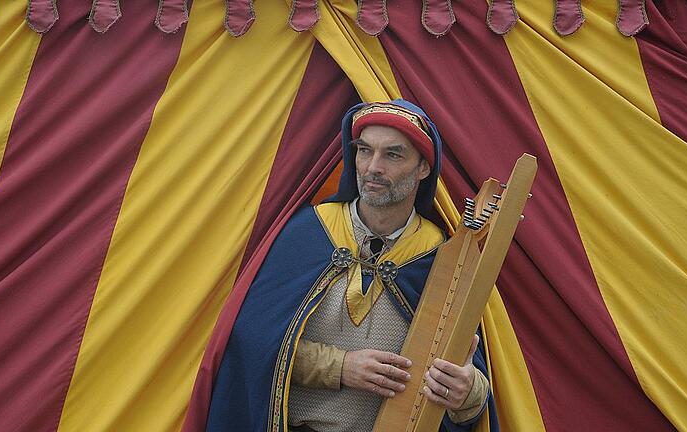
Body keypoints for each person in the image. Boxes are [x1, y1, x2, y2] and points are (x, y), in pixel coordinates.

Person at [206, 100, 498, 432]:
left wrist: (467, 392)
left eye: (393, 154)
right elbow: (251, 346)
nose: (373, 167)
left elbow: (469, 389)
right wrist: (341, 367)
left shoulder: (443, 258)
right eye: (364, 151)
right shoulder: (305, 234)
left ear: (423, 169)